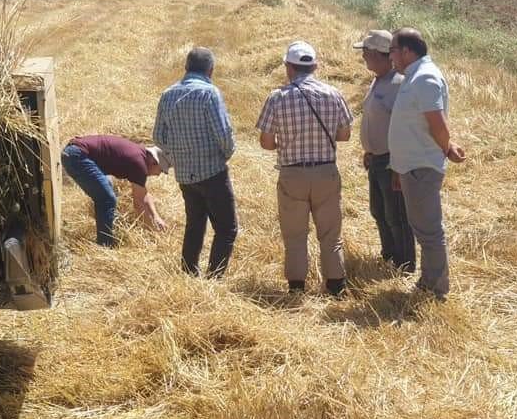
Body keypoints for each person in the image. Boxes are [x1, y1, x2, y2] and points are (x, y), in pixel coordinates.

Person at [257, 41, 353, 296]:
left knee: (295, 235)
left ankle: (297, 288)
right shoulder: (333, 93)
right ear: (315, 67)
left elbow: (266, 143)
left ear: (289, 67)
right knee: (331, 234)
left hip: (293, 174)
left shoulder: (277, 98)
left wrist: (286, 142)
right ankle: (335, 286)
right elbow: (344, 134)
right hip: (325, 172)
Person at [388, 28, 467, 302]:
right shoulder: (413, 76)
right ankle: (429, 281)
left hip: (422, 166)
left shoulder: (425, 78)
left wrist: (447, 148)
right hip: (412, 166)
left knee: (429, 231)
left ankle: (435, 289)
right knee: (422, 227)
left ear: (408, 51)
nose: (391, 57)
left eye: (393, 51)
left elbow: (436, 122)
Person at [153, 47, 238, 277]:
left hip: (185, 175)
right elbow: (224, 135)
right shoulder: (210, 93)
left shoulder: (168, 94)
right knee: (227, 228)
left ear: (186, 68)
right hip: (213, 172)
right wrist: (226, 154)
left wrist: (180, 153)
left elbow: (158, 137)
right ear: (211, 70)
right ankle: (214, 277)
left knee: (195, 225)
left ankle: (188, 273)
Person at [352, 29, 414, 273]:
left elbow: (405, 128)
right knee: (379, 211)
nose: (363, 57)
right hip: (376, 159)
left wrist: (398, 164)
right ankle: (389, 256)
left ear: (382, 55)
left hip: (391, 161)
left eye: (366, 53)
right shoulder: (378, 80)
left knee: (396, 215)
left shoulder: (398, 84)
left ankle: (404, 264)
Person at [60, 135, 171, 246]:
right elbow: (139, 203)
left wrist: (156, 216)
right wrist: (152, 232)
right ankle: (105, 245)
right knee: (107, 198)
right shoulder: (139, 164)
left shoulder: (139, 155)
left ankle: (112, 229)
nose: (157, 175)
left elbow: (144, 194)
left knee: (108, 190)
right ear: (154, 162)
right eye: (160, 171)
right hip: (77, 156)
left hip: (76, 152)